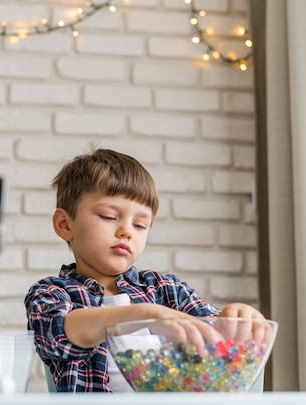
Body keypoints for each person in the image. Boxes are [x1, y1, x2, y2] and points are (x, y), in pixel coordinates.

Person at [24, 148, 266, 393]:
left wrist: (235, 318)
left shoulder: (166, 290)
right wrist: (148, 315)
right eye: (109, 217)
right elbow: (61, 333)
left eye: (140, 225)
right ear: (65, 224)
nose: (127, 231)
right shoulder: (50, 294)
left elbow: (212, 338)